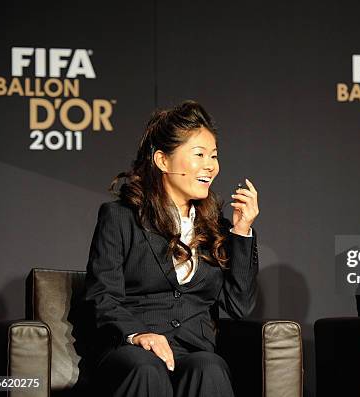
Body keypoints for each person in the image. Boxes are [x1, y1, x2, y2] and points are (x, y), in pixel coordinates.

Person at [84, 100, 259, 397]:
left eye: (213, 156)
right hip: (131, 347)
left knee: (210, 367)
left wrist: (241, 232)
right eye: (199, 154)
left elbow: (238, 307)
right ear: (163, 161)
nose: (210, 166)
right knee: (147, 368)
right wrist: (138, 335)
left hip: (192, 348)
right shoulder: (121, 217)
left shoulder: (215, 227)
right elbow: (103, 294)